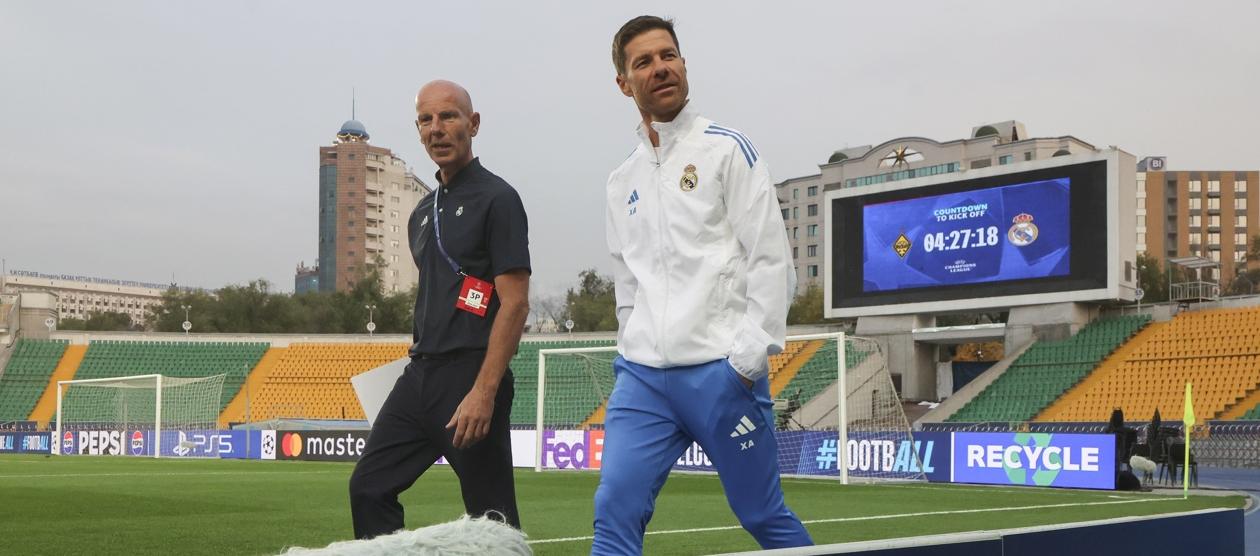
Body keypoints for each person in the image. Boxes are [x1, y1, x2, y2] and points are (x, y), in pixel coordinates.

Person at [592, 16, 812, 554]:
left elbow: (769, 259)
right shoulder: (622, 182)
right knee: (613, 511)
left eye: (668, 55)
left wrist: (744, 362)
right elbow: (628, 283)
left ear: (684, 65)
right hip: (643, 379)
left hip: (720, 374)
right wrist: (632, 345)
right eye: (643, 61)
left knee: (761, 514)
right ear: (624, 83)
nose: (660, 67)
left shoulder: (727, 150)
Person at [348, 80, 531, 539]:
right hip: (419, 377)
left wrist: (484, 391)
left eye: (449, 116)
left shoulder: (498, 199)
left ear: (473, 124)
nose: (438, 129)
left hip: (470, 375)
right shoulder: (421, 212)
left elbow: (515, 302)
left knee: (493, 520)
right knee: (368, 488)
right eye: (426, 120)